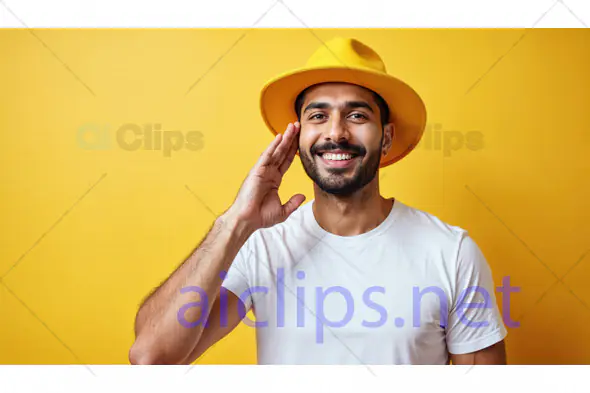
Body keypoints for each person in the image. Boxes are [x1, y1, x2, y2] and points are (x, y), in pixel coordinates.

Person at [129, 37, 507, 365]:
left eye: (357, 115)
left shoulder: (450, 252)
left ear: (387, 137)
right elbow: (152, 357)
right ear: (297, 137)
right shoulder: (261, 244)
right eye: (318, 115)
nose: (336, 132)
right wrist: (235, 223)